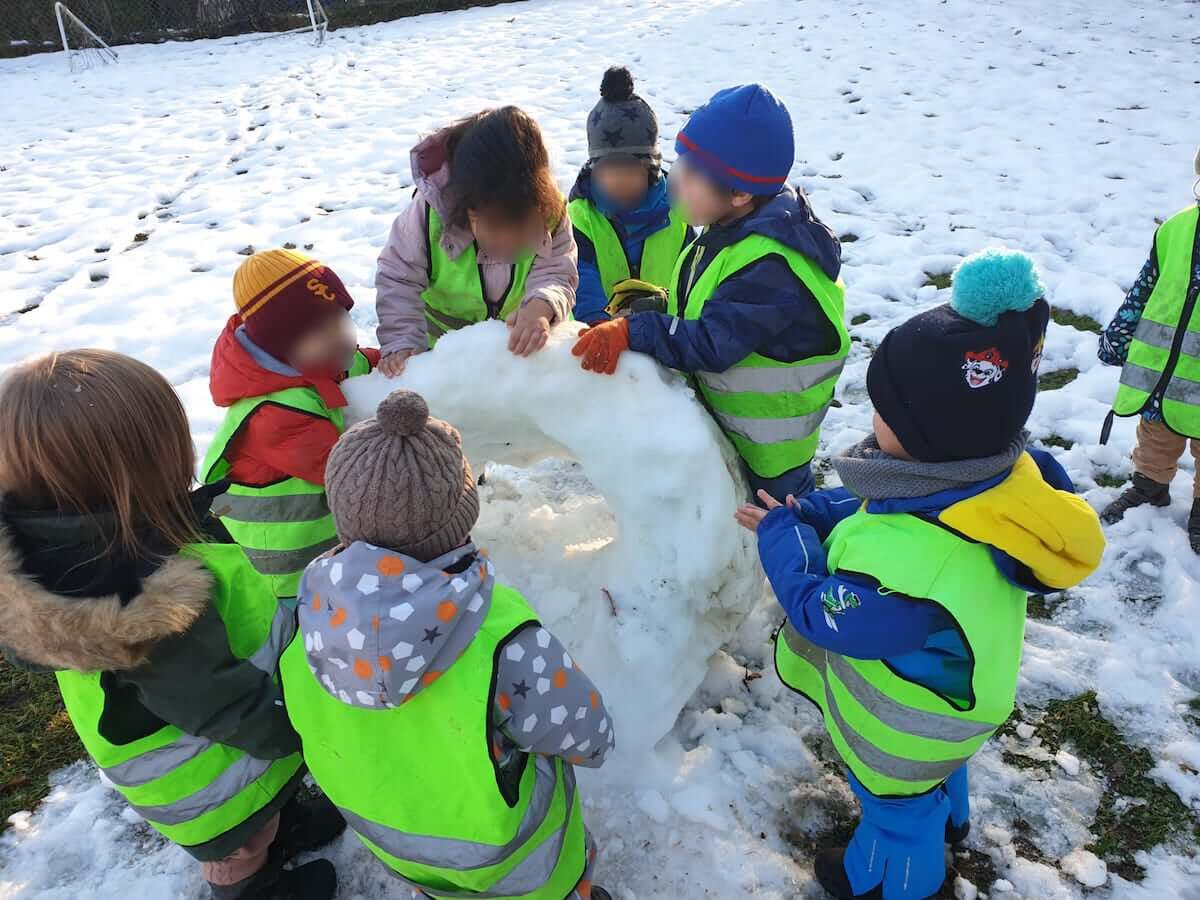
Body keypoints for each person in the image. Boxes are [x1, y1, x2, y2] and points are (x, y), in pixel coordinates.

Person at [736, 250, 1105, 900]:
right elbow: (884, 509)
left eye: (885, 412)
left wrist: (784, 541)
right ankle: (952, 816)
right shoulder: (981, 480)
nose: (871, 420)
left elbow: (827, 612)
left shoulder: (922, 568)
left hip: (909, 727)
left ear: (927, 436)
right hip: (952, 696)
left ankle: (900, 881)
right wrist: (816, 511)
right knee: (935, 775)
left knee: (896, 813)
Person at [0, 350, 345, 900]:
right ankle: (248, 884)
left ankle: (279, 824)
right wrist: (300, 732)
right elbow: (217, 705)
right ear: (132, 477)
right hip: (214, 780)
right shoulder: (147, 604)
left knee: (261, 820)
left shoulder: (73, 553)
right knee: (240, 844)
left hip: (228, 753)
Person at [280, 389, 615, 900]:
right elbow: (583, 732)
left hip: (397, 839)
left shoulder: (302, 615)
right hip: (512, 857)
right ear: (463, 517)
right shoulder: (501, 633)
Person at [573, 84, 849, 502]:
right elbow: (708, 306)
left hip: (770, 455)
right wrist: (656, 307)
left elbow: (715, 342)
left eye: (692, 172)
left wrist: (641, 330)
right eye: (680, 161)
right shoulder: (729, 231)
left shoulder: (770, 265)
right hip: (734, 430)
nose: (675, 179)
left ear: (739, 193)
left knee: (775, 532)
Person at [201, 249, 380, 602]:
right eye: (317, 330)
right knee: (296, 633)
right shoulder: (276, 414)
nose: (338, 337)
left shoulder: (323, 361)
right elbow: (350, 473)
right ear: (280, 346)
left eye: (340, 320)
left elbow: (367, 364)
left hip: (324, 541)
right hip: (285, 563)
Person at [375, 107, 578, 373]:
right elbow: (398, 278)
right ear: (464, 207)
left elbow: (557, 270)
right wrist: (403, 344)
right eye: (493, 226)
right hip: (444, 351)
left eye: (520, 228)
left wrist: (542, 307)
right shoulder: (428, 218)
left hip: (526, 346)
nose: (507, 241)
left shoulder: (552, 211)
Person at [1097, 146, 1200, 552]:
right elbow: (1145, 288)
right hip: (1164, 370)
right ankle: (1150, 486)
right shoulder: (1176, 230)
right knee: (1156, 434)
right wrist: (1119, 335)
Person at [568, 66, 694, 324]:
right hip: (598, 338)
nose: (617, 182)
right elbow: (580, 281)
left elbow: (692, 281)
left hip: (665, 337)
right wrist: (600, 326)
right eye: (607, 170)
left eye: (629, 170)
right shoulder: (581, 218)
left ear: (650, 170)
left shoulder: (680, 213)